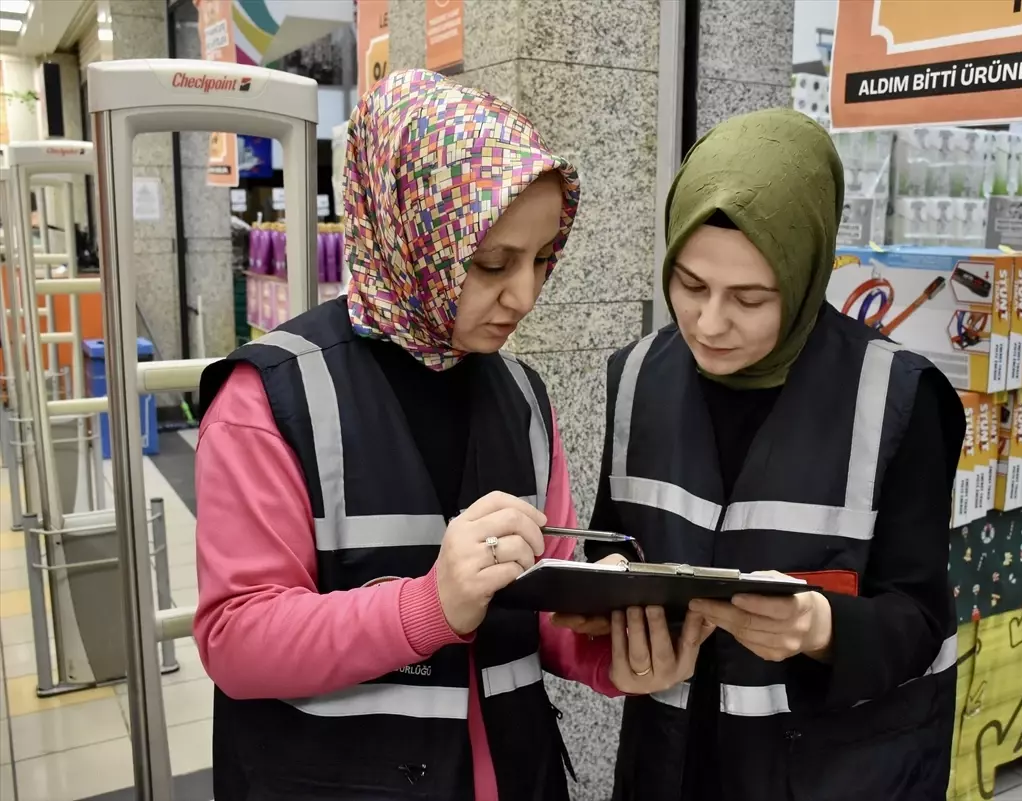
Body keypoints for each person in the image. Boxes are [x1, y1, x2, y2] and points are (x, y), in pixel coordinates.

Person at [192, 70, 706, 801]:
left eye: (540, 260)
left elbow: (542, 602)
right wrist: (429, 605)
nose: (523, 296)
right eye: (491, 263)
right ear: (411, 231)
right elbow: (237, 640)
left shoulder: (523, 396)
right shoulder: (269, 399)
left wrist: (610, 654)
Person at [564, 108, 965, 800]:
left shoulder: (898, 397)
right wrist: (599, 592)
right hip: (671, 761)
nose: (709, 323)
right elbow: (619, 543)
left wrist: (822, 626)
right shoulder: (635, 376)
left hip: (831, 769)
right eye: (689, 285)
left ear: (806, 273)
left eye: (750, 297)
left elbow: (920, 615)